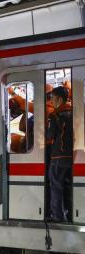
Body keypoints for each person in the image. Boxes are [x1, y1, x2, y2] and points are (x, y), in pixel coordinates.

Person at [47, 86, 73, 221]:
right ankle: (69, 214)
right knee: (68, 187)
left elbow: (49, 135)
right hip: (73, 156)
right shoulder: (75, 112)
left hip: (58, 156)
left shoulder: (54, 115)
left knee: (56, 186)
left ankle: (57, 217)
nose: (51, 101)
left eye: (53, 98)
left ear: (60, 99)